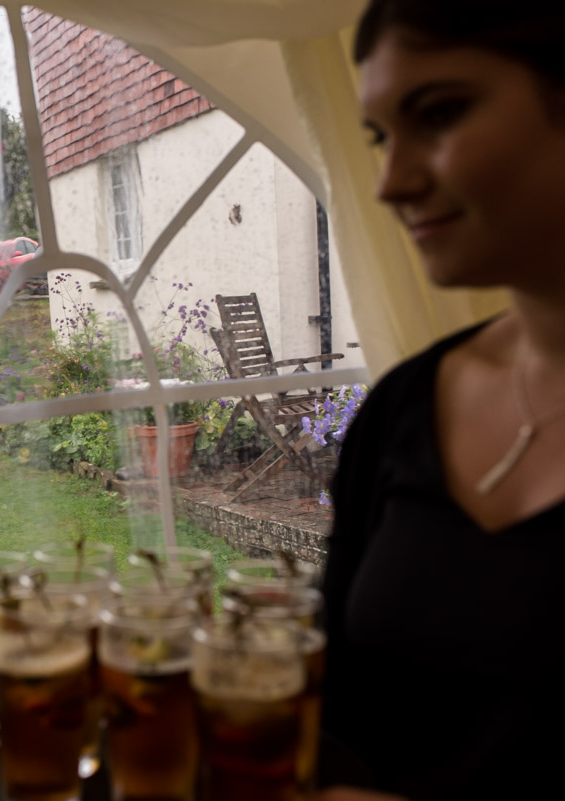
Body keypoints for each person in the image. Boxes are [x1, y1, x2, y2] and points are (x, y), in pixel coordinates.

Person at [317, 2, 565, 800]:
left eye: (441, 113)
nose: (392, 182)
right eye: (382, 136)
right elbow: (336, 711)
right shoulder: (402, 410)